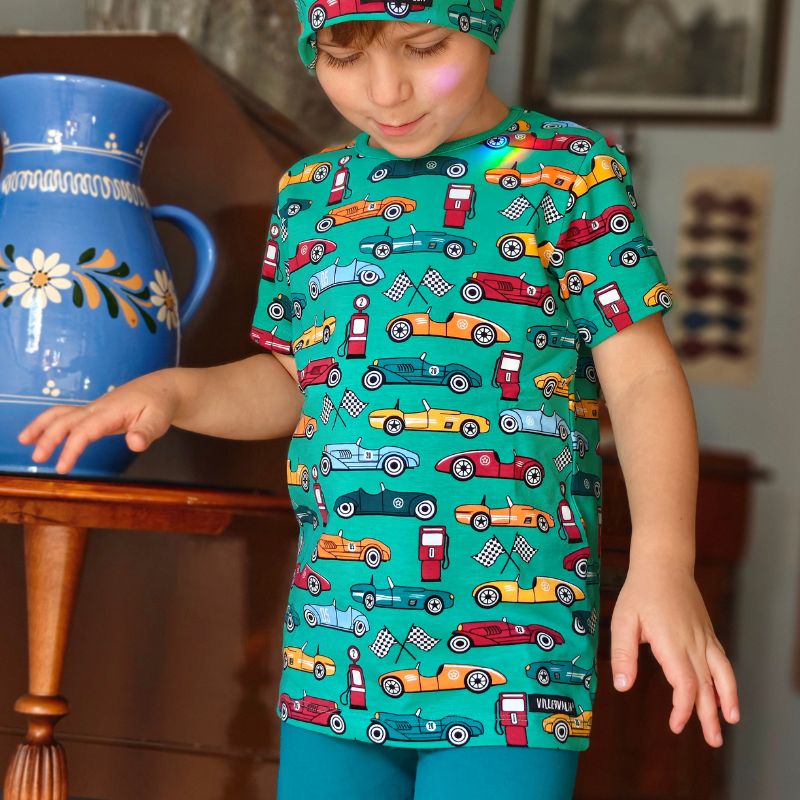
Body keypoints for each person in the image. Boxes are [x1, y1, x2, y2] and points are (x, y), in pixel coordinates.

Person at [16, 2, 740, 798]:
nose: (385, 91)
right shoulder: (309, 195)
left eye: (424, 48)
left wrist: (665, 562)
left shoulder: (571, 174)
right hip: (337, 635)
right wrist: (173, 391)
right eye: (343, 56)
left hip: (513, 649)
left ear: (486, 25)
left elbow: (640, 375)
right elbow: (294, 383)